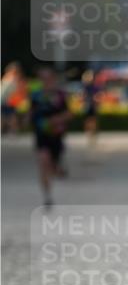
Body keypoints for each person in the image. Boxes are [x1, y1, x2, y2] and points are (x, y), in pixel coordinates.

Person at [30, 67, 70, 207]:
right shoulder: (35, 95)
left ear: (53, 79)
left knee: (53, 166)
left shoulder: (60, 95)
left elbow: (69, 114)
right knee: (43, 162)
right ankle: (47, 196)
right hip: (41, 135)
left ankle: (57, 169)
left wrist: (56, 120)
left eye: (47, 78)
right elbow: (32, 113)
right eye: (42, 79)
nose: (45, 81)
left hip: (56, 135)